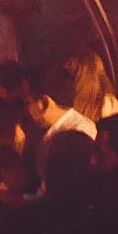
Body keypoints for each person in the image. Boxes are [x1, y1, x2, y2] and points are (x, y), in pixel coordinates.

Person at [21, 66, 97, 196]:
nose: (24, 110)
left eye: (27, 102)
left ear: (44, 102)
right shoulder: (42, 130)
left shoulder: (79, 132)